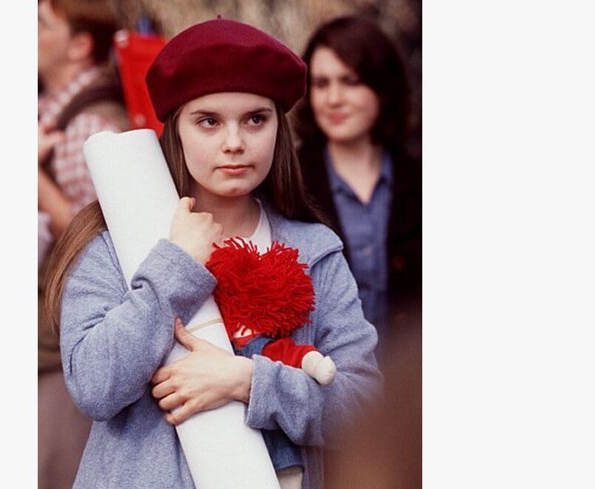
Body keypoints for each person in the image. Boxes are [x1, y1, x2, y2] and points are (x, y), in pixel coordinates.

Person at [43, 17, 382, 489]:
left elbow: (364, 409)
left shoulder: (315, 250)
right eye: (209, 121)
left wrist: (248, 382)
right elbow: (94, 386)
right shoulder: (114, 241)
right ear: (176, 130)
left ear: (278, 128)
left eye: (255, 119)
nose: (234, 143)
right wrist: (176, 266)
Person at [37, 1, 129, 488]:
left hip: (65, 343)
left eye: (39, 25)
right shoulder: (55, 115)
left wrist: (32, 176)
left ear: (79, 45)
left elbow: (96, 239)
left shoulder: (88, 127)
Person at [293, 15, 422, 360]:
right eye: (321, 84)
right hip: (323, 379)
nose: (333, 99)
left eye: (350, 81)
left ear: (383, 88)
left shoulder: (419, 180)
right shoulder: (288, 183)